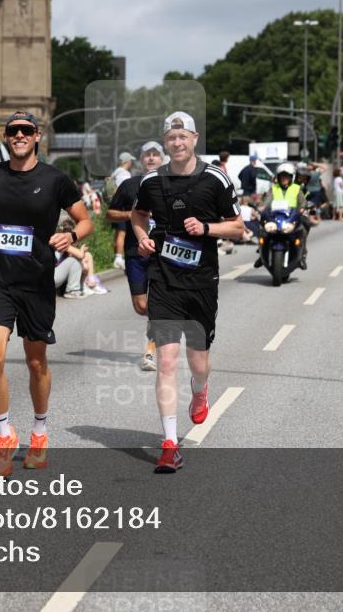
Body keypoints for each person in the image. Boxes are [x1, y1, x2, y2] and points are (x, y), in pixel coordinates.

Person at [0, 111, 93, 476]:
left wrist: (72, 236)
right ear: (5, 137)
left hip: (37, 284)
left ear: (37, 136)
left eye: (26, 131)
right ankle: (4, 436)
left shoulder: (56, 179)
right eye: (13, 131)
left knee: (35, 362)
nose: (19, 136)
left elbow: (85, 219)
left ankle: (40, 432)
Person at [130, 111, 244, 473]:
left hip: (200, 282)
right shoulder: (150, 180)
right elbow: (137, 215)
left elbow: (239, 227)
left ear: (194, 138)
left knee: (198, 363)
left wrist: (207, 228)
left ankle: (200, 389)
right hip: (162, 279)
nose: (177, 143)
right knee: (165, 361)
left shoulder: (216, 179)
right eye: (171, 137)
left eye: (183, 136)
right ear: (165, 142)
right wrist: (142, 238)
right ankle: (168, 444)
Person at [107, 140, 164, 371]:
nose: (151, 158)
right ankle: (164, 321)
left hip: (163, 252)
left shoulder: (170, 183)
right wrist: (132, 215)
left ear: (162, 159)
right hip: (135, 250)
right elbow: (110, 214)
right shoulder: (130, 185)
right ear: (141, 160)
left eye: (155, 155)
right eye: (147, 155)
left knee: (158, 303)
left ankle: (151, 350)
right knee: (141, 306)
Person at [261, 163, 310, 269]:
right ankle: (262, 253)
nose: (284, 179)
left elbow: (302, 202)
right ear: (278, 177)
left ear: (291, 177)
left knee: (305, 227)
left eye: (287, 176)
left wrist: (302, 208)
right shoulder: (274, 188)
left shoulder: (296, 189)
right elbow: (266, 201)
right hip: (275, 216)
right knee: (262, 227)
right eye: (282, 176)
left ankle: (302, 255)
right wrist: (262, 207)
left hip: (292, 217)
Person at [111, 152, 136, 271]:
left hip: (115, 206)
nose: (132, 163)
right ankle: (119, 258)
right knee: (122, 232)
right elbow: (126, 191)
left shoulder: (115, 172)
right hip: (122, 207)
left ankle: (117, 257)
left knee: (117, 233)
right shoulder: (124, 174)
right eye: (131, 160)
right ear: (127, 161)